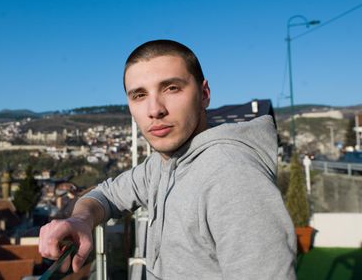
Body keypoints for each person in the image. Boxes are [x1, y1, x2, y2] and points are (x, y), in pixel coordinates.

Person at [39, 40, 296, 279]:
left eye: (172, 88)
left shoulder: (232, 176)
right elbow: (107, 195)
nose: (155, 110)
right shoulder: (163, 165)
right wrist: (81, 219)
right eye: (139, 95)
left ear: (204, 94)